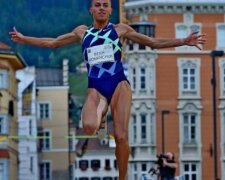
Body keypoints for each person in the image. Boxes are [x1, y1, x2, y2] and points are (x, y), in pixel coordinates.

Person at [9, 0, 206, 179]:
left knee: (120, 135)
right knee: (88, 127)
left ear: (111, 10)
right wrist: (24, 39)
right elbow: (52, 42)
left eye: (105, 5)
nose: (102, 7)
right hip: (96, 86)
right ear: (91, 9)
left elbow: (152, 42)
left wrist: (182, 41)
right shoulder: (82, 32)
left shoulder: (121, 29)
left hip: (119, 83)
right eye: (98, 5)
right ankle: (101, 117)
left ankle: (122, 177)